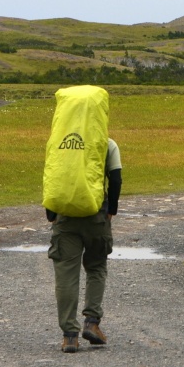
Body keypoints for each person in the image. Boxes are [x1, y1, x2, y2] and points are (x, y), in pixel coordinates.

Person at [46, 137, 122, 353]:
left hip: (65, 216)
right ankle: (92, 322)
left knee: (66, 274)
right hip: (96, 215)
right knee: (96, 266)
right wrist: (111, 209)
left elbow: (50, 174)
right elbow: (115, 178)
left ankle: (70, 336)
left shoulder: (58, 140)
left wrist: (50, 211)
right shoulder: (107, 144)